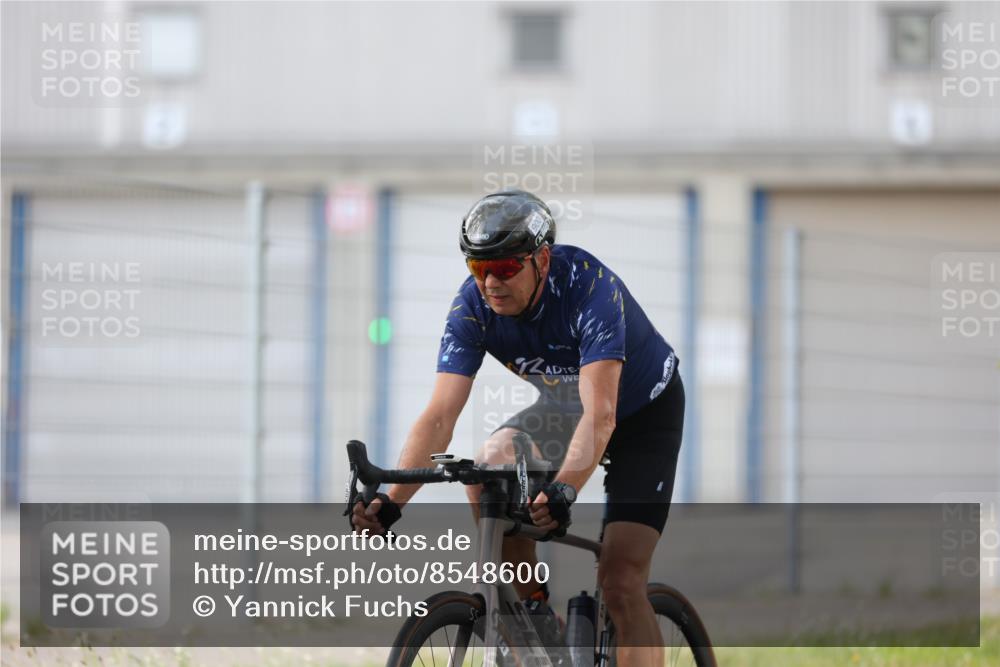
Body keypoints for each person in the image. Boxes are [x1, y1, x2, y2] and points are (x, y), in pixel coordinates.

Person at [351, 190, 684, 666]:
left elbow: (602, 415)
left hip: (641, 415)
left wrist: (564, 489)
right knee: (492, 462)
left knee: (620, 580)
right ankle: (531, 612)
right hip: (567, 408)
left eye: (505, 269)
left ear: (542, 259)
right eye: (477, 269)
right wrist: (390, 500)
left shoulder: (590, 289)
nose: (490, 283)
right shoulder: (473, 307)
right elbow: (441, 414)